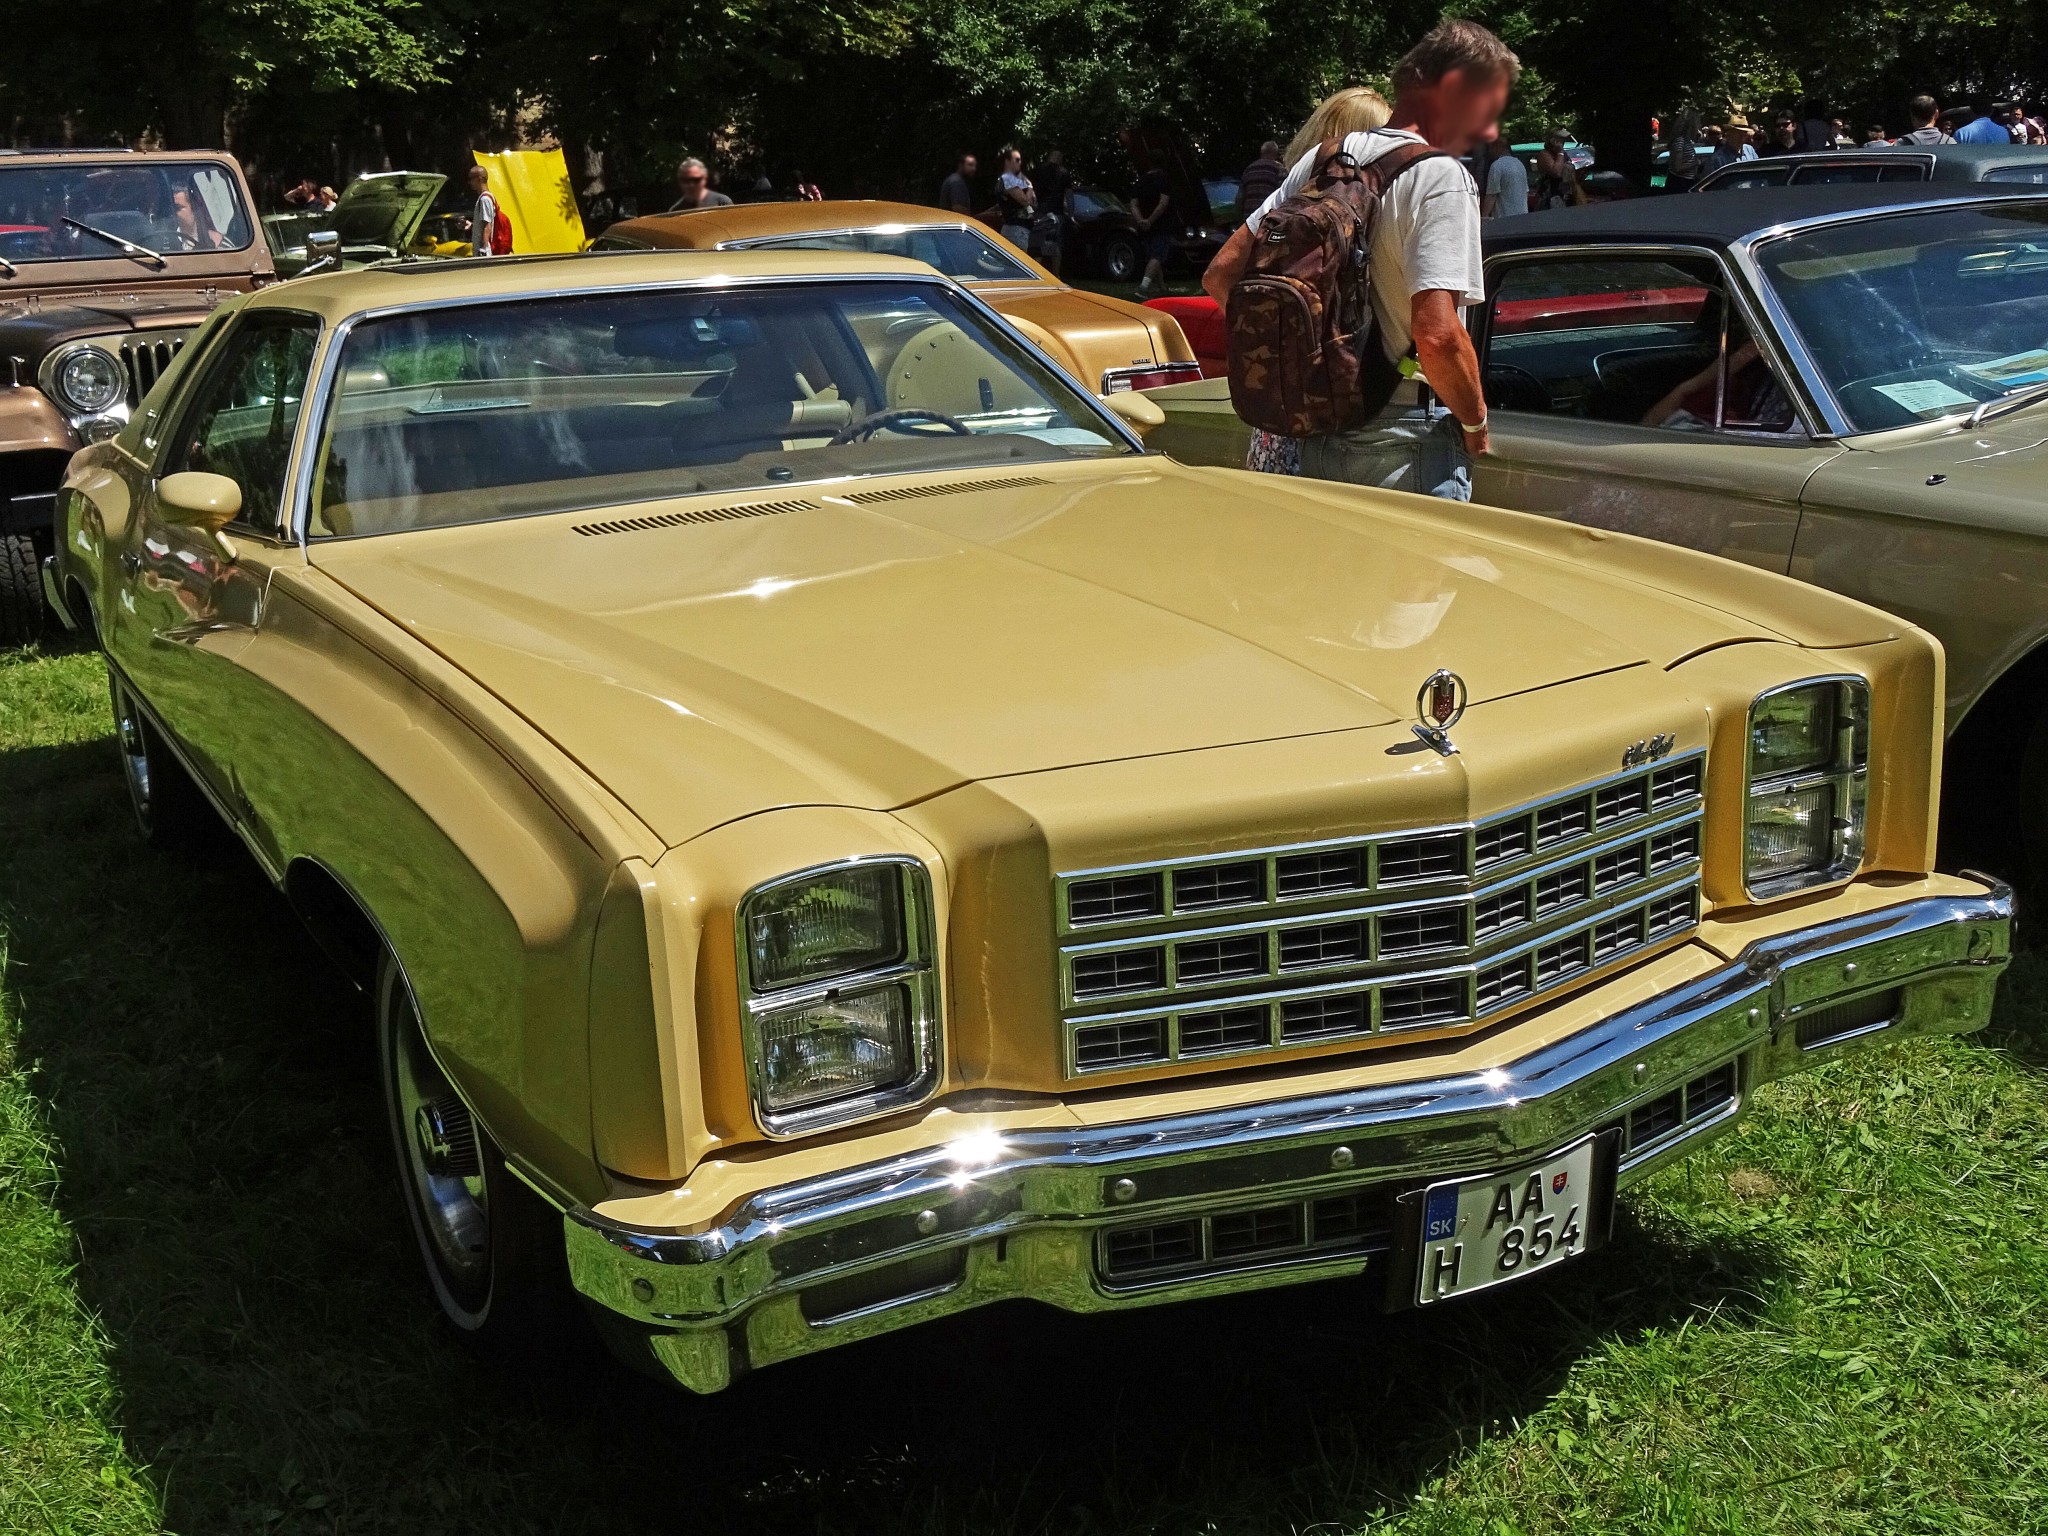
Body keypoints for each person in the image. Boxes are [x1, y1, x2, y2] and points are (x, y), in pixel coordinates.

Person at [1203, 18, 1518, 502]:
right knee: (1418, 579)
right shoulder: (1441, 178)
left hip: (1315, 429)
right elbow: (1436, 335)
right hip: (1403, 438)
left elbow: (1222, 274)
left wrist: (1309, 359)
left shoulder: (1324, 160)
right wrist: (1474, 419)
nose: (1488, 129)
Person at [1239, 88, 1391, 475]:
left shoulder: (1290, 197)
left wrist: (1274, 342)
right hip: (1332, 411)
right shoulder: (1368, 203)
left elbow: (1219, 277)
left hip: (1276, 415)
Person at [1031, 149, 1073, 274]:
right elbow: (1069, 195)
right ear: (1060, 159)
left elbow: (1031, 190)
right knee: (1055, 244)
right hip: (1056, 212)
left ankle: (1038, 274)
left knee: (1037, 244)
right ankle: (1056, 274)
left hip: (1040, 212)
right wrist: (1070, 214)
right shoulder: (1063, 173)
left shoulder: (1038, 170)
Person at [1236, 141, 1286, 222]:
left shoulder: (1249, 169)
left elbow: (1239, 198)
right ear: (1275, 153)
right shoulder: (1279, 169)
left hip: (1249, 221)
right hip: (1268, 220)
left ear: (1261, 152)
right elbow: (1283, 196)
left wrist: (1239, 220)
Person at [996, 147, 1035, 251]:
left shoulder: (1007, 179)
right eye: (1017, 160)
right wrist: (1030, 186)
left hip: (1016, 229)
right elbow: (1025, 201)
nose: (1020, 163)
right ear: (1007, 161)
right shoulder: (1009, 178)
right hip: (1016, 231)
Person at [1533, 130, 1584, 208]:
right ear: (1552, 140)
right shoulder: (1544, 154)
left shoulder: (1564, 154)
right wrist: (1559, 153)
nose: (1563, 142)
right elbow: (1556, 172)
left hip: (1567, 196)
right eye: (1561, 139)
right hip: (1551, 196)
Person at [1481, 136, 1528, 217]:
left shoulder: (1497, 166)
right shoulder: (1519, 164)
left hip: (1504, 219)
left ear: (1497, 147)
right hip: (1522, 217)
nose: (1489, 152)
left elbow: (1491, 195)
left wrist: (1484, 217)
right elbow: (1525, 192)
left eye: (1490, 148)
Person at [668, 157, 733, 212]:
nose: (691, 185)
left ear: (704, 179)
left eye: (696, 180)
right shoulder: (675, 211)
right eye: (686, 180)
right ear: (680, 182)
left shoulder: (723, 203)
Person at [467, 165, 499, 257]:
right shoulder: (487, 197)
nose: (470, 182)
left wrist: (483, 250)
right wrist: (472, 226)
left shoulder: (484, 199)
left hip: (484, 252)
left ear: (479, 179)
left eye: (471, 178)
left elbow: (487, 226)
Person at [939, 151, 977, 216]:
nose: (974, 169)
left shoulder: (956, 180)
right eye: (970, 165)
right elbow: (958, 209)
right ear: (961, 165)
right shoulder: (957, 182)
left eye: (974, 166)